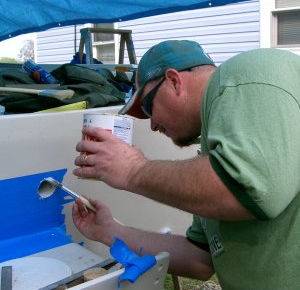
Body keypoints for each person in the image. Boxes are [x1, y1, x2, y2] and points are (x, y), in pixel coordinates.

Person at [72, 40, 300, 289]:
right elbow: (200, 259)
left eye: (148, 107)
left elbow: (252, 191)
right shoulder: (213, 158)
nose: (153, 124)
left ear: (173, 81)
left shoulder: (249, 73)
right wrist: (109, 231)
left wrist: (132, 169)